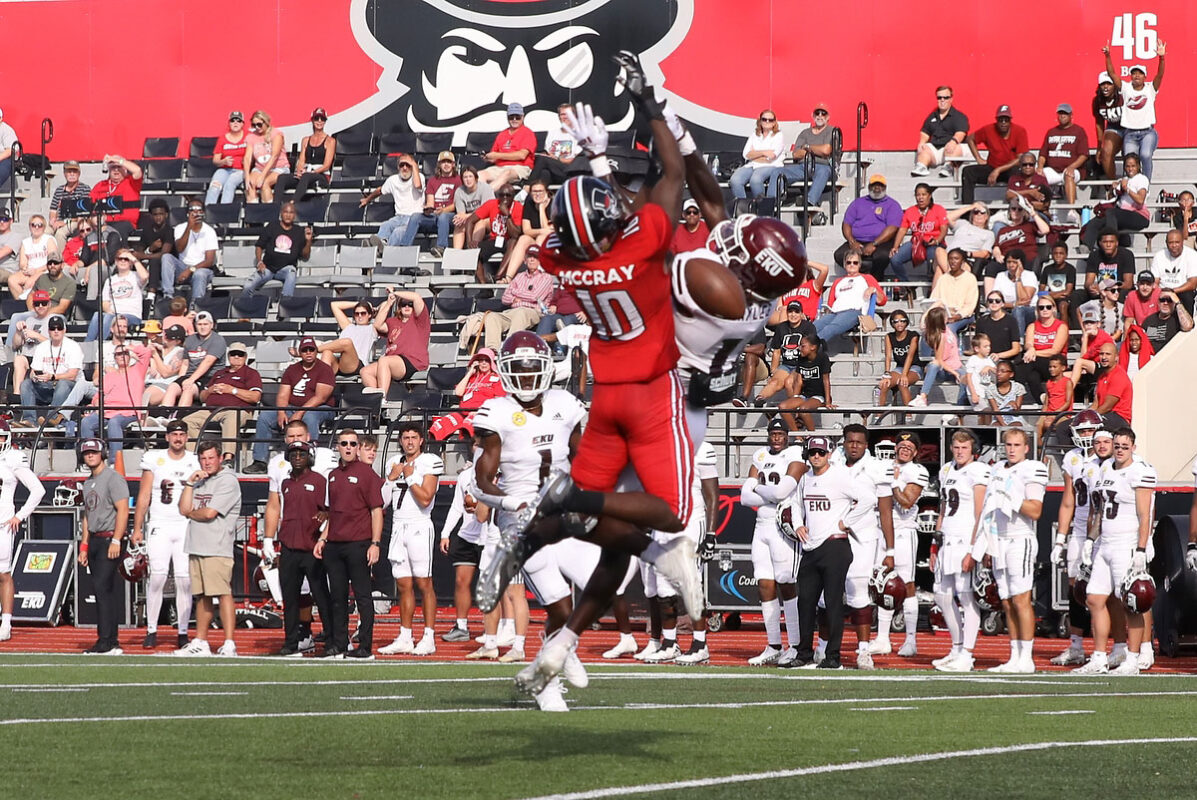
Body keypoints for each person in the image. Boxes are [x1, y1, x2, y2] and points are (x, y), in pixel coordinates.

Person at [469, 333, 589, 706]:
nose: (524, 379)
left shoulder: (565, 403)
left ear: (546, 369)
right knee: (559, 602)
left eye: (530, 370)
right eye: (517, 372)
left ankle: (554, 652)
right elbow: (482, 481)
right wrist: (510, 502)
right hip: (521, 521)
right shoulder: (496, 411)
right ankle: (548, 680)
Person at [788, 435, 879, 669]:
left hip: (835, 546)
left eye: (820, 452)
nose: (816, 456)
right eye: (812, 453)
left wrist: (847, 522)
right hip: (810, 547)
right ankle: (804, 652)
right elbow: (796, 503)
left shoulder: (840, 476)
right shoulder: (805, 478)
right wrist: (798, 523)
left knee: (832, 602)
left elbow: (868, 498)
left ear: (829, 454)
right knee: (805, 602)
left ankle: (833, 656)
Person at [1074, 428, 1156, 674]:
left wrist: (1141, 548)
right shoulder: (1104, 468)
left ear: (1133, 447)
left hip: (1126, 543)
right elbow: (1099, 511)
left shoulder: (1139, 471)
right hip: (1105, 543)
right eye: (1117, 445)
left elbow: (1145, 515)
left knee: (1132, 603)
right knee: (1094, 598)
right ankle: (1099, 657)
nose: (1120, 449)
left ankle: (1133, 658)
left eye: (1124, 445)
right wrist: (1090, 539)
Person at [972, 428, 1048, 673]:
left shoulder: (1032, 469)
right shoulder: (996, 469)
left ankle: (1027, 657)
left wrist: (1012, 500)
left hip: (1019, 539)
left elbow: (1036, 510)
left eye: (1017, 445)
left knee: (1021, 598)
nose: (1012, 449)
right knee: (1005, 601)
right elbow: (987, 509)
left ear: (1026, 448)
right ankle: (1014, 656)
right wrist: (982, 544)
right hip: (998, 539)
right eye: (1009, 444)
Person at [261, 420, 337, 652]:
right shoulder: (284, 482)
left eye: (301, 454)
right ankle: (291, 642)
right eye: (293, 454)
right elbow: (274, 507)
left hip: (312, 546)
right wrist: (268, 539)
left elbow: (331, 510)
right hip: (289, 547)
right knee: (290, 598)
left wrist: (323, 531)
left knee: (321, 595)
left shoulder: (319, 480)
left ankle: (333, 639)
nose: (297, 457)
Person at [739, 419, 805, 666]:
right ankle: (774, 644)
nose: (777, 438)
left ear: (787, 435)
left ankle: (796, 645)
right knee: (764, 584)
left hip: (783, 527)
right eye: (773, 434)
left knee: (787, 583)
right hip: (761, 526)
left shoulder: (795, 453)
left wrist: (760, 488)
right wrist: (768, 492)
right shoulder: (760, 454)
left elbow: (780, 493)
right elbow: (744, 497)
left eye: (780, 434)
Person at [131, 420, 199, 650]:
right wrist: (138, 527)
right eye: (174, 434)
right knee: (157, 577)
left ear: (187, 437)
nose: (178, 438)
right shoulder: (154, 458)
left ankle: (182, 631)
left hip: (185, 524)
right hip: (160, 522)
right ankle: (151, 629)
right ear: (167, 437)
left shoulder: (195, 460)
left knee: (184, 580)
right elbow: (144, 494)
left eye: (182, 434)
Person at [317, 429, 385, 659]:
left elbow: (376, 511)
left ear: (358, 447)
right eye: (344, 443)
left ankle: (365, 646)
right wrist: (323, 538)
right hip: (335, 544)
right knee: (337, 597)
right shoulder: (333, 475)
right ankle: (339, 642)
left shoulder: (367, 475)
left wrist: (375, 543)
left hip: (358, 543)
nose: (348, 447)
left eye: (352, 444)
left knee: (363, 596)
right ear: (337, 446)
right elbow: (332, 513)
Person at [377, 425, 443, 656]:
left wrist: (410, 476)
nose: (410, 442)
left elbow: (426, 499)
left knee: (424, 584)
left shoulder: (430, 461)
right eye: (405, 438)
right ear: (400, 440)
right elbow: (382, 502)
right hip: (398, 527)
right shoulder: (394, 461)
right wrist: (390, 479)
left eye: (414, 437)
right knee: (403, 585)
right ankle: (405, 636)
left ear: (422, 440)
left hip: (419, 526)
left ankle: (428, 636)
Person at [175, 441, 242, 656]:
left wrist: (193, 513)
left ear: (220, 458)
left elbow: (208, 513)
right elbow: (183, 508)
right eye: (203, 458)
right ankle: (201, 640)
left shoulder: (228, 481)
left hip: (217, 546)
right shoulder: (200, 482)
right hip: (196, 544)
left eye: (211, 458)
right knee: (202, 595)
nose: (207, 462)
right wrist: (188, 483)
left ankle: (229, 642)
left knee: (222, 593)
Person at [930, 430, 989, 672]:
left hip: (965, 539)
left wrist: (974, 550)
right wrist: (935, 545)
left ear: (972, 449)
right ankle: (956, 647)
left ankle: (968, 653)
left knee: (965, 596)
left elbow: (980, 513)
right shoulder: (946, 470)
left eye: (964, 447)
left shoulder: (977, 471)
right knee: (941, 594)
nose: (959, 451)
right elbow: (942, 510)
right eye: (956, 447)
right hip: (947, 540)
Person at [1049, 413, 1106, 667]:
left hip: (1102, 531)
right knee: (1076, 587)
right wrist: (1061, 538)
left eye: (1089, 431)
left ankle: (1111, 648)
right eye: (1082, 431)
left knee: (1104, 591)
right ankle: (1076, 645)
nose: (1086, 435)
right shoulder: (1072, 458)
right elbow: (1068, 500)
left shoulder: (1105, 457)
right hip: (1080, 529)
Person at [245, 336, 336, 473]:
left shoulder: (325, 369)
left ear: (316, 351)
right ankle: (260, 461)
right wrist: (281, 411)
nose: (309, 353)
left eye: (311, 349)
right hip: (292, 406)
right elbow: (282, 394)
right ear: (300, 353)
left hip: (321, 408)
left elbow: (320, 397)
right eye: (305, 350)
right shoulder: (292, 369)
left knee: (309, 417)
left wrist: (299, 413)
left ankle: (309, 455)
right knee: (264, 417)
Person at [77, 438, 129, 654]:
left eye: (94, 452)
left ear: (102, 454)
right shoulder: (88, 482)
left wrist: (116, 539)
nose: (90, 456)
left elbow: (123, 509)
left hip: (110, 537)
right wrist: (84, 545)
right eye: (87, 453)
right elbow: (88, 516)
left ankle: (107, 640)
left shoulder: (113, 478)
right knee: (102, 590)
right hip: (96, 538)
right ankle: (108, 639)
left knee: (102, 587)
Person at [436, 447, 492, 644]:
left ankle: (494, 629)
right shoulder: (466, 476)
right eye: (476, 445)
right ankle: (461, 626)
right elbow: (457, 507)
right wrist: (445, 533)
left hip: (490, 536)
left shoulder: (498, 474)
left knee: (490, 585)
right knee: (461, 581)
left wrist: (480, 506)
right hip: (468, 534)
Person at [457, 246, 553, 352]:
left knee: (521, 312)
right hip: (512, 311)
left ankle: (509, 348)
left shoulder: (546, 278)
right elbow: (505, 298)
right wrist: (514, 299)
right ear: (525, 260)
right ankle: (492, 350)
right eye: (529, 257)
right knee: (491, 317)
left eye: (535, 257)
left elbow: (535, 296)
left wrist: (516, 293)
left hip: (534, 312)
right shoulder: (519, 276)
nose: (531, 260)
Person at [0, 425, 45, 643]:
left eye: (0, 437)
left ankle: (6, 623)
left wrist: (20, 515)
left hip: (2, 524)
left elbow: (38, 490)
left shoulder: (12, 458)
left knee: (3, 574)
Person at [183, 342, 262, 464]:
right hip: (211, 410)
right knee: (186, 422)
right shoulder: (219, 373)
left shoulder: (251, 373)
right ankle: (196, 456)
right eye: (233, 354)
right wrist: (210, 390)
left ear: (245, 357)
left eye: (240, 354)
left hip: (237, 410)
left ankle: (228, 458)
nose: (236, 357)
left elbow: (255, 397)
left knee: (231, 417)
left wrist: (232, 390)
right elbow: (202, 397)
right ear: (228, 356)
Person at [887, 432, 928, 656]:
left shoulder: (917, 471)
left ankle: (910, 640)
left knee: (907, 583)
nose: (904, 449)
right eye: (901, 445)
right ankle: (883, 638)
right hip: (880, 530)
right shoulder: (882, 465)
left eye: (909, 446)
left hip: (903, 531)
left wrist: (893, 483)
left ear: (915, 452)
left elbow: (906, 502)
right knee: (880, 583)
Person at [79, 342, 153, 464]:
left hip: (128, 412)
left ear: (129, 356)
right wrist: (95, 403)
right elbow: (98, 396)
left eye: (125, 353)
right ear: (115, 358)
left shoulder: (138, 370)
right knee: (86, 422)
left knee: (114, 422)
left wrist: (129, 347)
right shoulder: (109, 376)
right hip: (108, 411)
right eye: (119, 354)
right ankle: (91, 458)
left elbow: (147, 353)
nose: (122, 356)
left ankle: (114, 461)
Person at [1104, 39, 1166, 178]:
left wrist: (1161, 57)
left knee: (1145, 155)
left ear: (1145, 76)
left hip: (1147, 132)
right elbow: (1112, 74)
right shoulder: (1126, 88)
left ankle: (1146, 186)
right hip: (1130, 133)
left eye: (1140, 73)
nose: (1137, 75)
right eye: (1134, 73)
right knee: (1130, 160)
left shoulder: (1150, 88)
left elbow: (1160, 75)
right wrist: (1107, 55)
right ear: (1131, 76)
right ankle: (1133, 187)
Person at [360, 290, 430, 396]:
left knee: (384, 360)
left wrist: (395, 292)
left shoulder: (419, 319)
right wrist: (389, 303)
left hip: (413, 361)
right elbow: (378, 325)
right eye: (403, 304)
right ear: (399, 307)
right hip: (393, 361)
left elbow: (416, 297)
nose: (407, 306)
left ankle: (382, 398)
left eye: (410, 304)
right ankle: (376, 399)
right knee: (365, 371)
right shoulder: (393, 321)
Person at [14, 315, 78, 429]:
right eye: (53, 328)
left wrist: (53, 377)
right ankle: (29, 420)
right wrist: (35, 376)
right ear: (48, 331)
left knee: (63, 383)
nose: (56, 331)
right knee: (26, 383)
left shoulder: (72, 347)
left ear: (64, 330)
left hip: (65, 388)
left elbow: (73, 375)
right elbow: (34, 370)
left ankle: (51, 418)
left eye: (59, 328)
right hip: (46, 386)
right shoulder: (42, 347)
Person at [428, 348, 506, 442]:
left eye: (487, 360)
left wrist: (480, 411)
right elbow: (458, 392)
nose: (484, 363)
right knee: (439, 426)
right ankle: (432, 453)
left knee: (468, 425)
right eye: (481, 360)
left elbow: (499, 402)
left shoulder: (497, 378)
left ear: (491, 363)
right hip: (462, 413)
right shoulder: (471, 378)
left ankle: (473, 455)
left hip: (481, 414)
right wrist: (470, 373)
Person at [240, 201, 313, 299]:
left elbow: (305, 255)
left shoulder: (299, 231)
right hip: (267, 267)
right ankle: (245, 309)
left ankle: (285, 304)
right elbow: (259, 246)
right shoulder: (272, 226)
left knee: (291, 272)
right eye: (285, 212)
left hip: (285, 269)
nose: (288, 215)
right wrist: (259, 262)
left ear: (294, 215)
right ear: (281, 214)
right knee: (248, 285)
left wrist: (308, 241)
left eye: (291, 213)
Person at [836, 175, 902, 277]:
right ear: (868, 187)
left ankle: (875, 278)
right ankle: (861, 275)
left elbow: (892, 228)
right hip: (858, 240)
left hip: (881, 242)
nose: (877, 188)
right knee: (840, 255)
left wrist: (874, 244)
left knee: (882, 256)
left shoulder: (892, 205)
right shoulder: (857, 203)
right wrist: (852, 241)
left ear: (885, 188)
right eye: (874, 185)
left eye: (880, 185)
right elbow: (846, 223)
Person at [961, 104, 1027, 204]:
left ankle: (1016, 207)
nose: (1003, 123)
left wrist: (998, 170)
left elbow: (1021, 158)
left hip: (1010, 169)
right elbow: (970, 138)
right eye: (1001, 120)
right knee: (968, 172)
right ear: (996, 120)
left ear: (1010, 120)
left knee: (1019, 173)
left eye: (1006, 120)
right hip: (992, 167)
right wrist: (978, 158)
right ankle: (967, 208)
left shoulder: (1020, 131)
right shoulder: (989, 130)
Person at [1081, 154, 1151, 250]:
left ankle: (1112, 243)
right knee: (1096, 221)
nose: (1130, 169)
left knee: (1111, 213)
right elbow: (1111, 199)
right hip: (1121, 214)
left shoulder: (1141, 179)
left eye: (1133, 166)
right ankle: (1086, 247)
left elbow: (1140, 200)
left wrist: (1126, 188)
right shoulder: (1122, 180)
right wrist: (1112, 190)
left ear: (1138, 166)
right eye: (1127, 166)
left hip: (1139, 215)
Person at [813, 253, 887, 341]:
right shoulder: (838, 281)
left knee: (830, 328)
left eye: (855, 262)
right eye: (849, 262)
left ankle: (811, 347)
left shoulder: (867, 278)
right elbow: (830, 304)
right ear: (845, 265)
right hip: (835, 312)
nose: (852, 265)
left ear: (859, 264)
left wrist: (873, 289)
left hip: (854, 311)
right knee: (813, 327)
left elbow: (882, 301)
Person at [399, 151, 459, 257]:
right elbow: (431, 201)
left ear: (453, 164)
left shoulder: (458, 180)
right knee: (415, 216)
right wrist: (428, 209)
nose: (446, 164)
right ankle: (405, 248)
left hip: (451, 217)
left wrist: (443, 210)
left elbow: (458, 203)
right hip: (435, 215)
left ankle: (441, 247)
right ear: (439, 164)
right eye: (443, 162)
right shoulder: (433, 180)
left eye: (449, 162)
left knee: (443, 216)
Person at [161, 311, 226, 408]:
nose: (202, 327)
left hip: (209, 377)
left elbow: (207, 362)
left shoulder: (218, 340)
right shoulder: (190, 340)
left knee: (188, 388)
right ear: (195, 325)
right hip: (190, 375)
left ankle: (179, 417)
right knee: (173, 387)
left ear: (211, 325)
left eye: (205, 324)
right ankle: (163, 415)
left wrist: (191, 380)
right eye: (199, 324)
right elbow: (185, 363)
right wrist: (180, 379)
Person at [888, 183, 948, 286]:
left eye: (923, 195)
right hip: (916, 242)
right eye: (918, 195)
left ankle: (932, 284)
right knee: (895, 258)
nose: (920, 198)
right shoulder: (910, 211)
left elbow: (944, 229)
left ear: (929, 196)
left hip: (934, 242)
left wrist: (937, 240)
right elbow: (902, 230)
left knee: (932, 256)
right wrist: (895, 247)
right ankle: (907, 285)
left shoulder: (938, 209)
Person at [85, 248, 147, 342]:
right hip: (112, 314)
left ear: (130, 262)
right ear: (116, 261)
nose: (123, 261)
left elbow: (145, 276)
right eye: (120, 258)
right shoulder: (110, 280)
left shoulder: (135, 276)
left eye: (126, 259)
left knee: (109, 318)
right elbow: (105, 302)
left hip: (131, 315)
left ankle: (101, 344)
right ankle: (88, 344)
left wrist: (133, 258)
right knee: (97, 315)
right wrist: (109, 310)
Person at [161, 200, 218, 300]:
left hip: (202, 269)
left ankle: (195, 305)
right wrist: (189, 227)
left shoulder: (209, 231)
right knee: (166, 257)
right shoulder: (180, 228)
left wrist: (190, 270)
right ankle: (168, 296)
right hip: (182, 267)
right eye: (193, 210)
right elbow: (179, 249)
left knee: (199, 274)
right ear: (188, 213)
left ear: (203, 213)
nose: (196, 213)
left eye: (199, 210)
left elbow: (209, 261)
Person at [275, 107, 336, 201]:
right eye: (317, 118)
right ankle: (275, 207)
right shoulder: (306, 140)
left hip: (320, 174)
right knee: (282, 178)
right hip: (306, 173)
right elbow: (301, 160)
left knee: (306, 176)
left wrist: (311, 172)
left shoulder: (330, 141)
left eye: (322, 119)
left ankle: (292, 203)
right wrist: (299, 171)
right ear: (312, 120)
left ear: (325, 121)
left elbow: (326, 165)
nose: (319, 121)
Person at [465, 184, 522, 282]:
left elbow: (515, 234)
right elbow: (470, 220)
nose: (504, 198)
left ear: (513, 196)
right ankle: (483, 285)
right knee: (473, 250)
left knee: (513, 241)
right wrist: (469, 241)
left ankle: (498, 276)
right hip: (495, 240)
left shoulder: (518, 207)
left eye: (508, 195)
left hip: (508, 241)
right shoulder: (492, 204)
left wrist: (507, 215)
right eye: (501, 195)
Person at [1037, 103, 1090, 208]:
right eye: (1060, 113)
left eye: (1065, 113)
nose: (1062, 116)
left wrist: (1072, 167)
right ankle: (1041, 208)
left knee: (1068, 174)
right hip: (1054, 170)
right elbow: (1043, 154)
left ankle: (1071, 209)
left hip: (1073, 169)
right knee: (1036, 176)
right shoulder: (1051, 132)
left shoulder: (1079, 131)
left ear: (1071, 115)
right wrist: (1040, 167)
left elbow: (1084, 155)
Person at [777, 335, 833, 431]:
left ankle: (812, 435)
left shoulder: (822, 358)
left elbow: (826, 380)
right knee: (783, 407)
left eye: (803, 346)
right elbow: (799, 381)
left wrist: (828, 401)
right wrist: (794, 398)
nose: (799, 348)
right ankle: (798, 435)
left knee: (803, 409)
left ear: (813, 347)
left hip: (819, 396)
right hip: (805, 395)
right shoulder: (801, 358)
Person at [910, 306, 963, 407]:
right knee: (934, 365)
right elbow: (939, 360)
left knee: (966, 377)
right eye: (945, 316)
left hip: (957, 366)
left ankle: (959, 410)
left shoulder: (948, 329)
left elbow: (940, 304)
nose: (948, 316)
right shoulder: (940, 336)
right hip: (946, 370)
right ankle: (923, 397)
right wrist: (954, 372)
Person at [873, 310, 921, 417]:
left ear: (907, 322)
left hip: (914, 367)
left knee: (902, 383)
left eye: (902, 321)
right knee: (885, 384)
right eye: (896, 321)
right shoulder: (889, 336)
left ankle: (909, 415)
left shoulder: (913, 335)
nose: (899, 324)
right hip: (899, 367)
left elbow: (910, 356)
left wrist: (904, 375)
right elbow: (888, 356)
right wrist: (886, 374)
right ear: (892, 323)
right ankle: (878, 416)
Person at [729, 108, 785, 201]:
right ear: (760, 121)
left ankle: (762, 207)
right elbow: (746, 154)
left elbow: (771, 157)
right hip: (752, 165)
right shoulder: (754, 135)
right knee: (735, 180)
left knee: (755, 180)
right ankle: (743, 207)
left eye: (770, 120)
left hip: (772, 165)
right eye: (764, 119)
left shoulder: (778, 135)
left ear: (774, 122)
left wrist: (754, 154)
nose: (767, 122)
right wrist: (764, 152)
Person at [479, 102, 537, 190]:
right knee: (480, 174)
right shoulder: (502, 134)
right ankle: (481, 198)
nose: (514, 119)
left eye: (517, 117)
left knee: (506, 173)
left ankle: (486, 197)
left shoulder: (528, 133)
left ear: (523, 117)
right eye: (511, 117)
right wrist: (489, 157)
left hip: (520, 167)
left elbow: (521, 155)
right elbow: (494, 156)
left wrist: (497, 155)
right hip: (500, 166)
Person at [912, 86, 968, 177]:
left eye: (946, 97)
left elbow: (961, 133)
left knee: (954, 147)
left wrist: (953, 141)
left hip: (953, 148)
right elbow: (925, 131)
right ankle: (921, 167)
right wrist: (922, 142)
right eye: (939, 98)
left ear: (951, 99)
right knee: (924, 147)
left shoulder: (959, 116)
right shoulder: (932, 116)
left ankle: (949, 167)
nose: (942, 100)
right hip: (937, 149)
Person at [1021, 292, 1069, 399]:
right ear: (1037, 310)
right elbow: (1028, 343)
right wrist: (1031, 348)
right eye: (1041, 307)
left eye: (1048, 307)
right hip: (1035, 363)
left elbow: (1055, 350)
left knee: (1025, 362)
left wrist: (1034, 352)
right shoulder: (1032, 326)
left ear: (1053, 308)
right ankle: (1041, 399)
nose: (1045, 310)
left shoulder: (1061, 326)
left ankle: (1015, 392)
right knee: (1032, 376)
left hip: (1055, 361)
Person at [503, 180, 553, 279]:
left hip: (553, 242)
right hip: (535, 237)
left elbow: (549, 231)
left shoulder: (554, 204)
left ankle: (539, 276)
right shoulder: (529, 202)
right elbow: (526, 230)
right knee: (523, 239)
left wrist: (542, 208)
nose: (537, 194)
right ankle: (508, 277)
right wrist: (541, 231)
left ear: (547, 192)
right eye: (534, 191)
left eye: (540, 191)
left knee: (541, 238)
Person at [933, 204, 993, 284]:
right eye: (976, 212)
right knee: (939, 250)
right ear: (972, 215)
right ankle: (955, 279)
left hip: (965, 260)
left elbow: (985, 253)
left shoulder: (989, 234)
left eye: (982, 212)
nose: (979, 214)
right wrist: (971, 206)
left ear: (987, 217)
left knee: (939, 270)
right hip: (948, 257)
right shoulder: (963, 224)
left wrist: (968, 254)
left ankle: (936, 295)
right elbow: (948, 217)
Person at [319, 300, 381, 377]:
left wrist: (373, 307)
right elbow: (334, 305)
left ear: (369, 315)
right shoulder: (348, 326)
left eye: (363, 313)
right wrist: (358, 303)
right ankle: (323, 383)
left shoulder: (372, 328)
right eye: (357, 314)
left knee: (347, 342)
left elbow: (385, 305)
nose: (360, 316)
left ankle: (316, 349)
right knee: (327, 353)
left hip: (357, 364)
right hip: (341, 363)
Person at [89, 154, 144, 239]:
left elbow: (137, 171)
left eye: (119, 167)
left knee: (115, 232)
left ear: (125, 169)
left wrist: (118, 160)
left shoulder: (131, 183)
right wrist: (93, 219)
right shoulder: (100, 185)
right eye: (113, 167)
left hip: (124, 223)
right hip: (103, 222)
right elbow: (90, 205)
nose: (116, 170)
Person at [929, 247, 980, 334]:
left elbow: (970, 306)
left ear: (962, 261)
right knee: (928, 329)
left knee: (949, 328)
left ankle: (951, 348)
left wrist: (957, 316)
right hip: (943, 315)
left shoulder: (970, 278)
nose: (953, 261)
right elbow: (934, 300)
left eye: (956, 259)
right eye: (950, 259)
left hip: (963, 316)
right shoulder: (943, 278)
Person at [129, 198, 174, 294]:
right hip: (149, 265)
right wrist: (150, 249)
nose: (158, 217)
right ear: (150, 216)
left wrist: (144, 255)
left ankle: (151, 294)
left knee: (154, 261)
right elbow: (140, 251)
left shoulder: (169, 231)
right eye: (155, 215)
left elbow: (164, 254)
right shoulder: (146, 230)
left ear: (166, 215)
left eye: (161, 214)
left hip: (167, 268)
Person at [243, 110, 288, 203]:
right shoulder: (251, 137)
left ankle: (268, 213)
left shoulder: (276, 134)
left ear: (266, 122)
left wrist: (263, 175)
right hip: (259, 167)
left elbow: (274, 156)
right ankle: (253, 211)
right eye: (254, 125)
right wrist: (247, 175)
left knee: (265, 183)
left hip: (278, 167)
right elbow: (247, 158)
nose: (257, 127)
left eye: (259, 124)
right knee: (250, 184)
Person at [205, 110, 249, 205]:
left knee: (230, 184)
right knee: (214, 186)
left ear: (243, 124)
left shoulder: (248, 137)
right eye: (233, 120)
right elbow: (215, 160)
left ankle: (224, 213)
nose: (235, 123)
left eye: (238, 120)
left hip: (240, 170)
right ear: (229, 123)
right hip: (224, 169)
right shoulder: (222, 139)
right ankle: (208, 212)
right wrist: (223, 162)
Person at [1081, 231, 1136, 303]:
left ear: (1117, 243)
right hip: (1100, 290)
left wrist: (1106, 288)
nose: (1108, 245)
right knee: (1078, 295)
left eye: (1111, 242)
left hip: (1119, 289)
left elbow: (1128, 284)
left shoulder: (1126, 255)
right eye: (1105, 242)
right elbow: (1088, 281)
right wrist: (1091, 287)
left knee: (1123, 294)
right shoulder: (1094, 255)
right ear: (1100, 243)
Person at [992, 249, 1039, 333]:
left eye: (1014, 262)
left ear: (1021, 263)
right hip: (1006, 310)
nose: (1011, 265)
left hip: (1028, 311)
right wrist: (1013, 304)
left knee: (1018, 310)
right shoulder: (1000, 276)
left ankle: (1019, 342)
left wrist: (1018, 278)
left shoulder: (1030, 275)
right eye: (1008, 262)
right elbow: (995, 300)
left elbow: (1025, 300)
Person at [1150, 229, 1197, 312]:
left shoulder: (1192, 255)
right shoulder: (1159, 256)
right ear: (1166, 243)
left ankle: (1186, 324)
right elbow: (1155, 281)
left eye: (1177, 242)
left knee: (1187, 296)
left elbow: (1192, 284)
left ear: (1182, 241)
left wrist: (1172, 291)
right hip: (1162, 291)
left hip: (1182, 291)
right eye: (1171, 242)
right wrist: (1161, 292)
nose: (1174, 245)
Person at [48, 160, 92, 249]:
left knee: (60, 233)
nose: (72, 174)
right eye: (69, 171)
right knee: (44, 232)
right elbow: (53, 210)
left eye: (74, 172)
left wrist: (64, 222)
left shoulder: (85, 189)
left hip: (76, 221)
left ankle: (59, 260)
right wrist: (53, 220)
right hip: (59, 221)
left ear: (79, 173)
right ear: (64, 173)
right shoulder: (59, 190)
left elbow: (83, 214)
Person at [532, 103, 579, 185]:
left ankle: (526, 188)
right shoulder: (552, 133)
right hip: (552, 169)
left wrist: (557, 159)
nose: (565, 117)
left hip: (569, 171)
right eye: (562, 114)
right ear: (559, 117)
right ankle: (542, 197)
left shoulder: (579, 134)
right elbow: (547, 153)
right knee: (544, 173)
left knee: (543, 160)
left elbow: (576, 161)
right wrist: (546, 155)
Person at [992, 197, 1050, 262]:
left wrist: (1033, 214)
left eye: (1020, 209)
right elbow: (996, 247)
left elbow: (1045, 230)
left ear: (1024, 212)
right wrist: (998, 255)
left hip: (1026, 261)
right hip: (1007, 262)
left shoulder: (1030, 225)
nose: (1016, 211)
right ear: (1009, 210)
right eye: (1013, 209)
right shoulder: (1003, 230)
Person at [451, 166, 494, 250]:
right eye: (465, 177)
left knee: (480, 222)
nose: (468, 179)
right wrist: (460, 218)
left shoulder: (485, 188)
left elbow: (486, 212)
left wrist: (466, 216)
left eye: (470, 176)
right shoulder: (459, 191)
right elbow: (461, 213)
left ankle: (472, 249)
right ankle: (456, 252)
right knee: (459, 224)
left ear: (476, 178)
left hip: (487, 218)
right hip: (470, 218)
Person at [1092, 72, 1124, 179]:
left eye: (1109, 84)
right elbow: (1099, 123)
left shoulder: (1122, 96)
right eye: (1103, 84)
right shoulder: (1098, 100)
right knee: (1106, 151)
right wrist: (1099, 146)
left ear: (1114, 85)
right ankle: (1112, 185)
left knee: (1129, 152)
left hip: (1130, 128)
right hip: (1113, 128)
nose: (1106, 87)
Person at [1141, 288, 1193, 352]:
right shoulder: (1149, 320)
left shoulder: (1178, 319)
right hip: (1152, 357)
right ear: (1158, 302)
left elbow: (1188, 326)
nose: (1165, 303)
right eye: (1162, 300)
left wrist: (1178, 302)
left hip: (1170, 357)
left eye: (1169, 300)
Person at [1039, 242, 1077, 325]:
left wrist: (1051, 294)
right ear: (1052, 255)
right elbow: (1041, 291)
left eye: (1061, 253)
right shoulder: (1047, 269)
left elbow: (1067, 292)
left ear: (1066, 255)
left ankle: (1064, 331)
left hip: (1064, 299)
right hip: (1049, 298)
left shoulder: (1070, 269)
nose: (1058, 256)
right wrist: (1052, 295)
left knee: (1063, 306)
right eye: (1055, 253)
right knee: (1043, 305)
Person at [961, 333, 997, 420]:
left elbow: (996, 371)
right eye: (985, 346)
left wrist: (988, 367)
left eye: (989, 346)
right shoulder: (973, 360)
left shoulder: (988, 360)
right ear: (977, 348)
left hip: (987, 393)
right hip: (976, 393)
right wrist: (973, 393)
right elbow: (969, 377)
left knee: (987, 414)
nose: (988, 348)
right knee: (986, 411)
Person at [986, 359, 1027, 427]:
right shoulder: (990, 389)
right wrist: (1003, 425)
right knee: (996, 427)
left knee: (1016, 426)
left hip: (1013, 417)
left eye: (1002, 371)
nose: (999, 374)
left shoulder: (1018, 387)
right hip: (998, 418)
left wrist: (1014, 405)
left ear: (1011, 374)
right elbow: (995, 410)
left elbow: (1017, 411)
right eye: (997, 371)